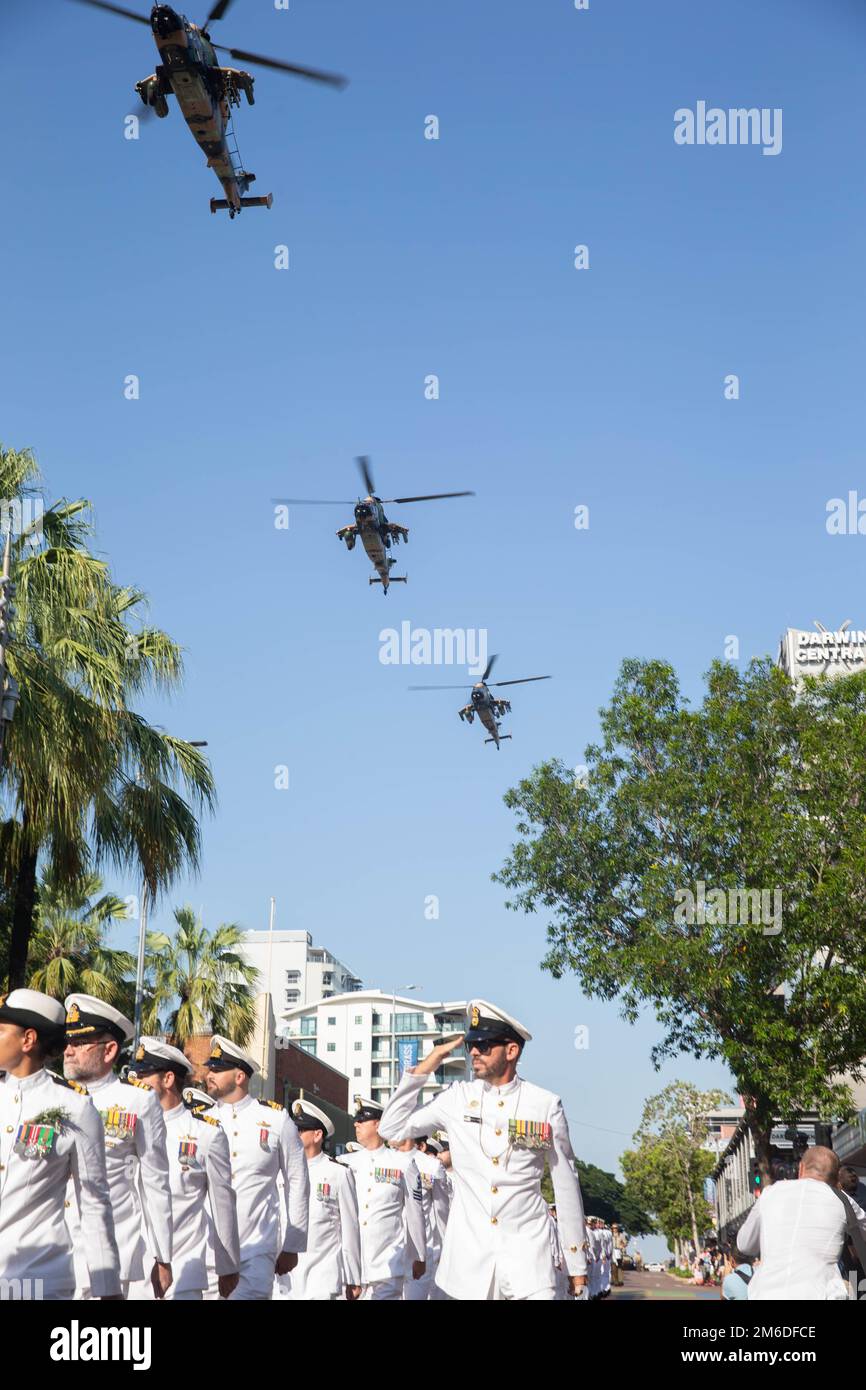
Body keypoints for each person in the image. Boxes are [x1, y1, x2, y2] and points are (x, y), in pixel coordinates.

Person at [378, 998, 588, 1301]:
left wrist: (576, 1262)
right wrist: (429, 1063)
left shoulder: (544, 1105)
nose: (475, 1051)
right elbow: (391, 1128)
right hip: (468, 1263)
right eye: (471, 1045)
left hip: (529, 1258)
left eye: (485, 1045)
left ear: (512, 1051)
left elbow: (566, 1185)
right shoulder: (457, 1099)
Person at [0, 989, 122, 1300]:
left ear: (28, 1040)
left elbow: (94, 1201)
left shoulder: (74, 1107)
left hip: (38, 1278)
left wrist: (107, 1288)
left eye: (1, 1031)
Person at [63, 993, 173, 1299]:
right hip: (53, 1253)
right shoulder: (54, 1096)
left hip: (113, 1254)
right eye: (67, 1041)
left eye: (80, 1043)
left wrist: (162, 1256)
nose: (68, 1051)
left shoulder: (137, 1101)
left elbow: (155, 1183)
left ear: (110, 1050)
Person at [131, 1037, 240, 1300]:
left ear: (168, 1079)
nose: (135, 1082)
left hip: (184, 1271)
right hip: (135, 1268)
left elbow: (222, 1203)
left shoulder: (205, 1134)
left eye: (144, 1076)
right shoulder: (128, 1126)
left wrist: (228, 1266)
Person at [203, 1034, 309, 1299]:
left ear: (240, 1077)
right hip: (207, 1251)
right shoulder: (201, 1121)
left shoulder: (274, 1119)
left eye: (218, 1069)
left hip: (256, 1250)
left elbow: (297, 1179)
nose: (209, 1074)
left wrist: (293, 1244)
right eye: (210, 1068)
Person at [736, 1145, 866, 1299]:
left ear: (801, 1168)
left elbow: (744, 1245)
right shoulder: (842, 1200)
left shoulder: (770, 1193)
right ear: (835, 1177)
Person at [336, 1096, 427, 1300]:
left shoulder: (403, 1164)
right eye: (356, 1119)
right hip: (350, 1265)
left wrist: (419, 1256)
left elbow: (415, 1214)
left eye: (362, 1119)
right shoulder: (344, 1163)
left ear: (378, 1124)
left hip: (387, 1264)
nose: (356, 1123)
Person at [275, 1098, 361, 1301]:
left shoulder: (338, 1173)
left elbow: (350, 1229)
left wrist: (353, 1277)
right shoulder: (279, 1171)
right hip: (284, 1277)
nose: (294, 1135)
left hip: (322, 1277)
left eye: (300, 1130)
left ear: (317, 1135)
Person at [389, 1133, 451, 1300]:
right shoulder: (386, 1161)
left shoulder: (431, 1166)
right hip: (391, 1250)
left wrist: (447, 1253)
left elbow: (442, 1212)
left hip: (421, 1252)